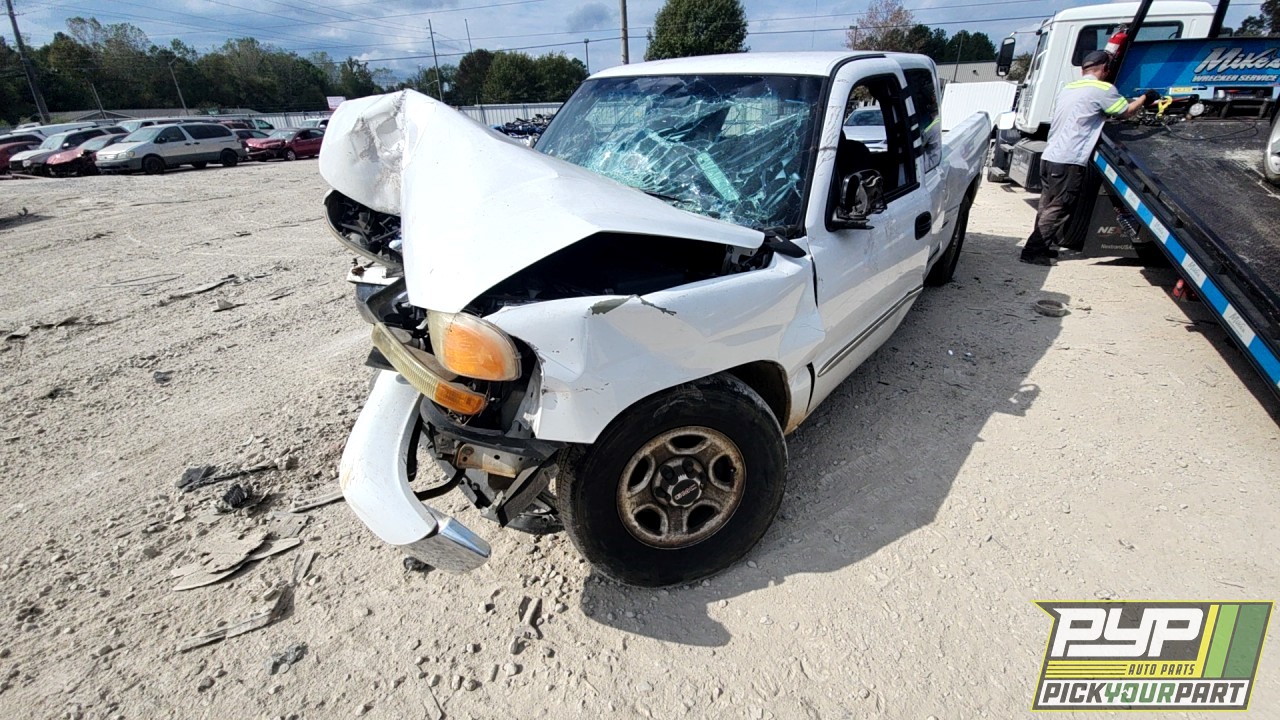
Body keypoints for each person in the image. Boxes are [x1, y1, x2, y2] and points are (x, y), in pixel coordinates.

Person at [1020, 50, 1159, 265]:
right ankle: (1033, 250)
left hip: (1050, 156)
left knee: (1047, 205)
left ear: (1083, 69)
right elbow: (1125, 112)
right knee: (1059, 206)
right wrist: (1145, 98)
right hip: (1069, 158)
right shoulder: (1102, 89)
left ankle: (1043, 246)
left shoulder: (1069, 88)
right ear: (1105, 69)